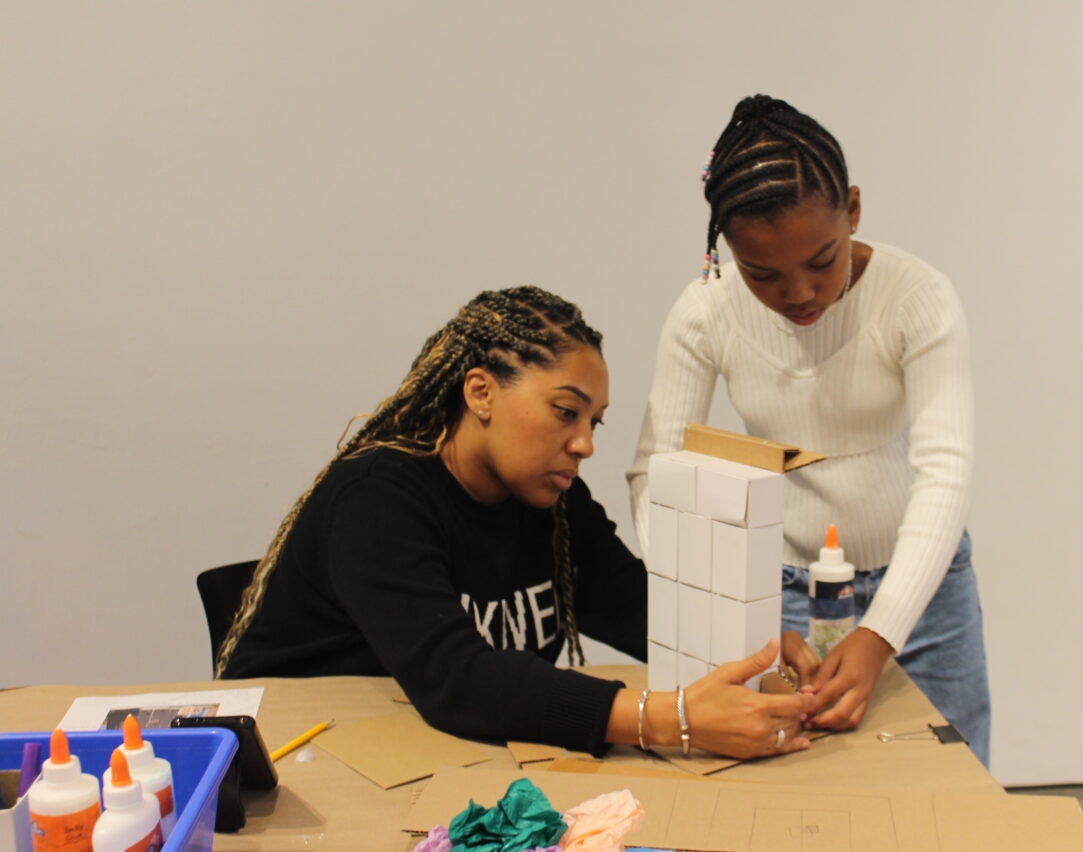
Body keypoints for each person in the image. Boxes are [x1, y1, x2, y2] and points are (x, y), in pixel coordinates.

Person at [216, 286, 814, 758]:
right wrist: (671, 720)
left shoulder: (550, 500)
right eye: (564, 412)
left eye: (594, 422)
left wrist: (758, 653)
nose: (584, 444)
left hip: (439, 749)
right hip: (306, 753)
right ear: (481, 392)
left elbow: (638, 606)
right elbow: (457, 680)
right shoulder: (376, 497)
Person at [629, 95, 991, 765]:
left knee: (950, 799)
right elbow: (656, 473)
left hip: (925, 595)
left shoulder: (917, 298)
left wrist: (882, 631)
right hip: (777, 598)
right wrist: (735, 606)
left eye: (822, 260)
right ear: (726, 247)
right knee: (794, 809)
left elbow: (946, 472)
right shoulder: (705, 311)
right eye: (761, 273)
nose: (799, 295)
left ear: (852, 209)